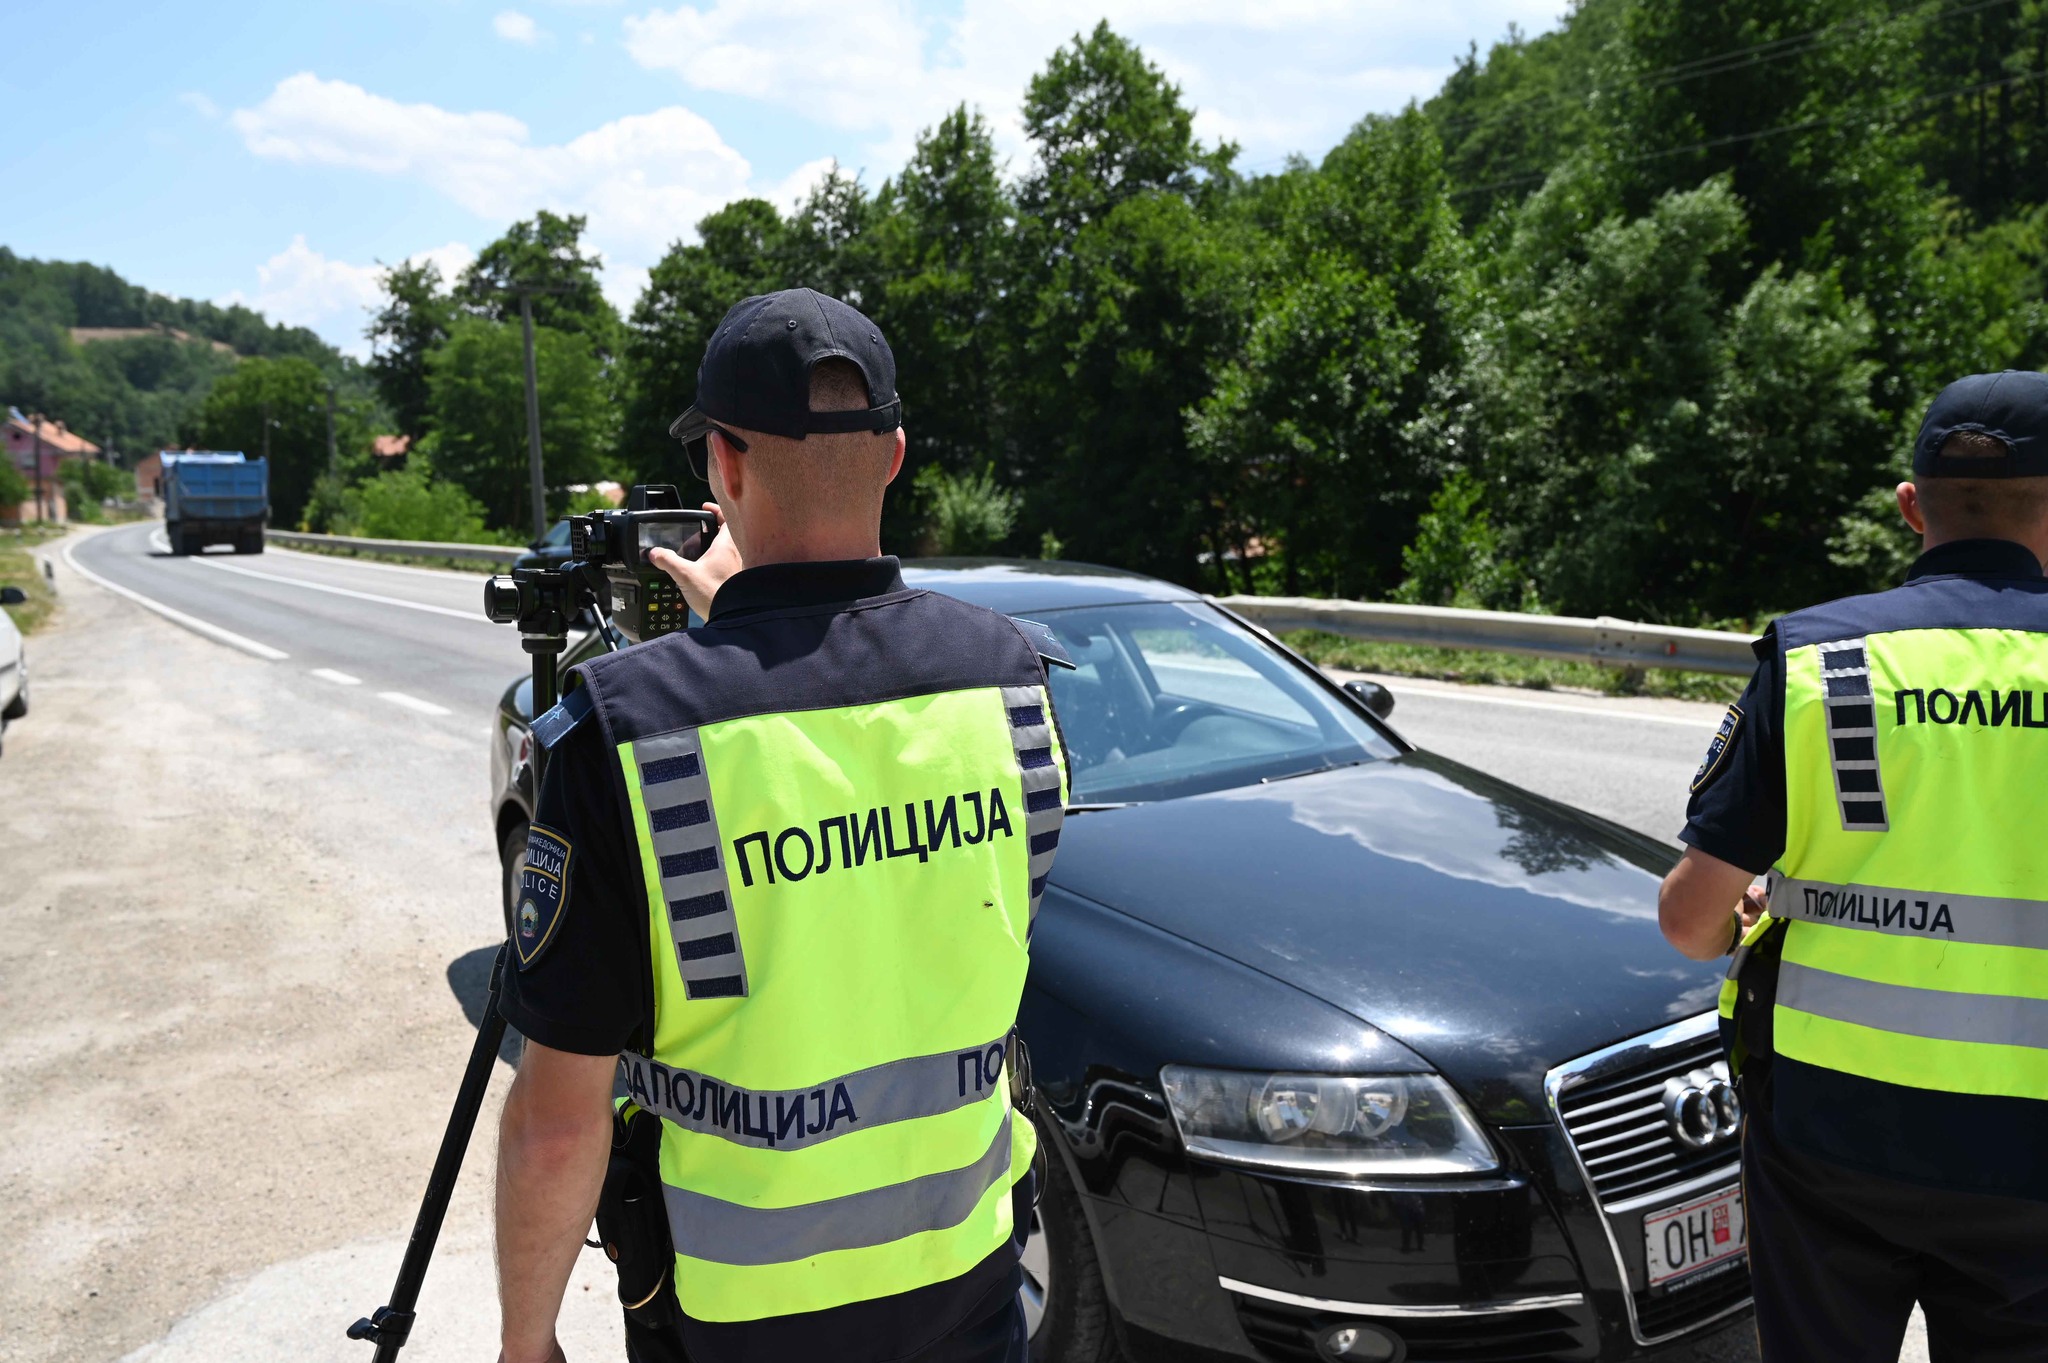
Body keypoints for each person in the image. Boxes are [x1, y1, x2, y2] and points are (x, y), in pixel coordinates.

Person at [491, 288, 1070, 1363]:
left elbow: (558, 1121)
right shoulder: (1006, 679)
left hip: (738, 1316)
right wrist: (748, 644)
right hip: (971, 1278)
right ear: (893, 455)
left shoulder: (631, 733)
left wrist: (526, 1346)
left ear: (724, 464)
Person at [1657, 370, 2048, 1362]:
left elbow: (1689, 921)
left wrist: (1754, 908)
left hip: (1829, 1134)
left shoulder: (1816, 660)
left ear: (1910, 504)